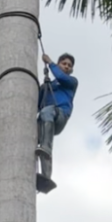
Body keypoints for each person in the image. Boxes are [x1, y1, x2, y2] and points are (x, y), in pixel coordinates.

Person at [36, 53, 77, 193]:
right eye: (64, 64)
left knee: (47, 112)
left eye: (69, 65)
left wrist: (50, 63)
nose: (66, 66)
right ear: (60, 65)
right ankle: (45, 177)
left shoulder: (71, 82)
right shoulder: (49, 85)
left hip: (60, 116)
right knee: (34, 137)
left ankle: (46, 149)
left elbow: (60, 77)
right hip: (47, 117)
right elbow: (37, 104)